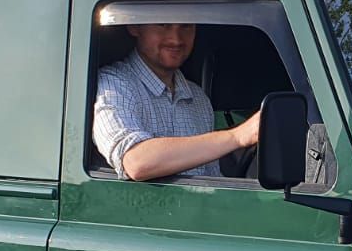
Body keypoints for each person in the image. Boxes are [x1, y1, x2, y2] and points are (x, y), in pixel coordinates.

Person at [92, 22, 260, 181]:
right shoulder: (113, 84)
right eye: (163, 24)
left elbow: (212, 180)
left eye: (186, 26)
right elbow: (136, 161)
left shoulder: (198, 97)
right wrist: (237, 136)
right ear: (134, 26)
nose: (176, 39)